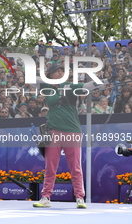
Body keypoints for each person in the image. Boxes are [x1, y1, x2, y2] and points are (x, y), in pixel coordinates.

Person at [32, 63, 113, 209]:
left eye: (62, 70)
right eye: (58, 71)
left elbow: (88, 86)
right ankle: (46, 197)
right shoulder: (47, 87)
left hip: (72, 131)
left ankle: (79, 198)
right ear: (50, 75)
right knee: (50, 166)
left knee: (75, 167)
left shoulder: (70, 86)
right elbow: (32, 80)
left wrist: (106, 80)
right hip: (54, 132)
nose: (61, 72)